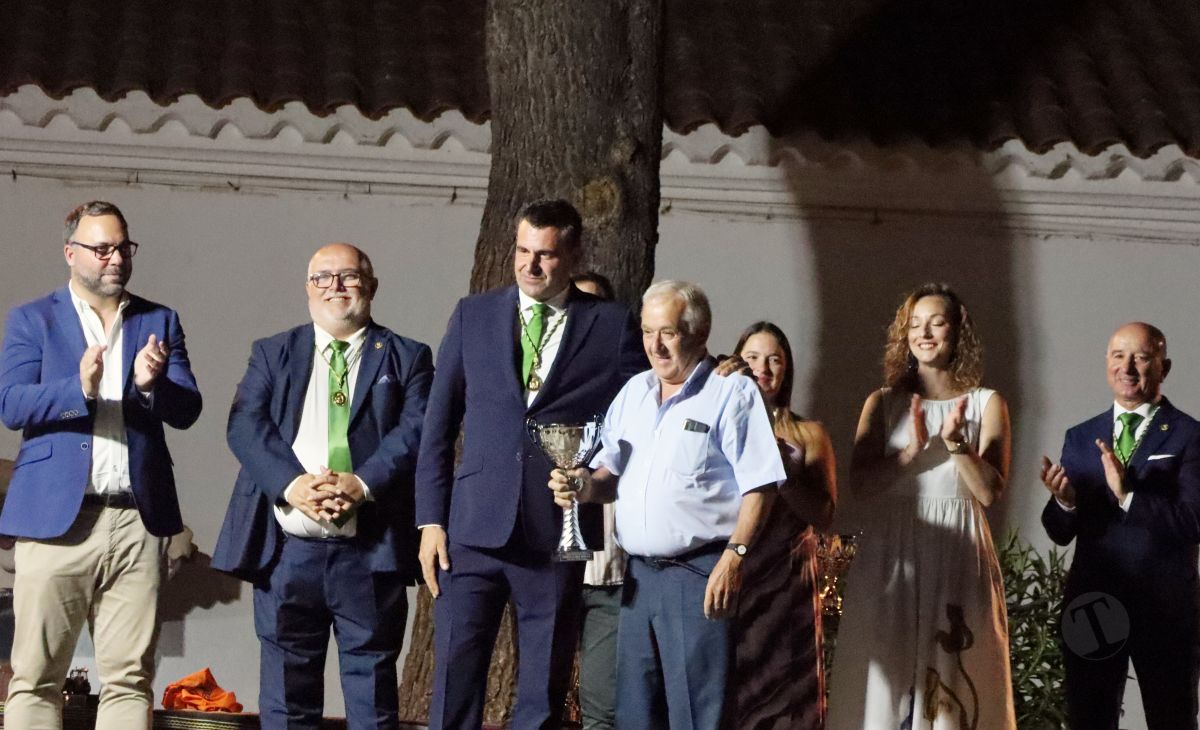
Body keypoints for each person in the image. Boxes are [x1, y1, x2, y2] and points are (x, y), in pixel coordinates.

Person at [415, 200, 645, 730]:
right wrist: (431, 521)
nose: (530, 265)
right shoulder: (473, 315)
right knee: (453, 682)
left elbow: (635, 423)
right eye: (523, 251)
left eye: (545, 255)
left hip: (556, 535)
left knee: (541, 693)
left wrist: (595, 480)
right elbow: (437, 426)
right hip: (470, 531)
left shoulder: (610, 326)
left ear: (572, 255)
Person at [211, 243, 433, 729]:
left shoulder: (408, 357)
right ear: (308, 289)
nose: (335, 287)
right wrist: (292, 486)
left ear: (370, 286)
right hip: (288, 552)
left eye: (348, 277)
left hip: (370, 552)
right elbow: (245, 424)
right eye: (323, 278)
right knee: (288, 706)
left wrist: (362, 483)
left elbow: (417, 429)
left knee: (373, 701)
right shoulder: (273, 352)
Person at [0, 201, 202, 730]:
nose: (115, 258)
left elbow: (188, 411)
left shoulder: (160, 320)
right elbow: (11, 404)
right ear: (71, 254)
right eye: (102, 248)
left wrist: (149, 385)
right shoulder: (33, 318)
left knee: (129, 679)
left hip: (137, 521)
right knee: (36, 677)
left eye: (123, 247)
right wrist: (78, 389)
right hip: (53, 521)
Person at [550, 280, 787, 730]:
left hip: (698, 577)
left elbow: (762, 485)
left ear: (700, 334)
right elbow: (607, 477)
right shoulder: (634, 393)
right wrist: (580, 485)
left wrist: (734, 557)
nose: (655, 345)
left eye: (669, 333)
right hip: (638, 580)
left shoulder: (731, 393)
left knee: (697, 717)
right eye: (646, 331)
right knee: (635, 715)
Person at [826, 283, 1015, 729]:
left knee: (955, 679)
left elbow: (989, 492)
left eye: (936, 322)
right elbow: (861, 485)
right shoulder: (883, 403)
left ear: (957, 334)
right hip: (893, 550)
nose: (924, 333)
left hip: (957, 549)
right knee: (884, 683)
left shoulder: (988, 403)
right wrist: (909, 454)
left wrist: (955, 444)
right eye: (915, 324)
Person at [1040, 322, 1200, 729]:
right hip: (1093, 605)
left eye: (1142, 357)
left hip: (1165, 607)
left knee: (1173, 719)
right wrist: (1063, 501)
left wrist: (1129, 495)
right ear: (1106, 364)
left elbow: (1193, 521)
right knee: (1089, 719)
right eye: (1118, 356)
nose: (1127, 367)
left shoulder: (1189, 435)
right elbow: (1060, 531)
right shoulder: (1081, 437)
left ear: (1164, 367)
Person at [729, 321, 836, 729]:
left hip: (786, 584)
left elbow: (824, 514)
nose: (764, 368)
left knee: (787, 699)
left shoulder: (808, 433)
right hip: (736, 575)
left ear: (787, 369)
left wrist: (782, 472)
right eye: (753, 357)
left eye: (774, 359)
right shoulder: (722, 424)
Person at [569, 271, 624, 730]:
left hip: (609, 578)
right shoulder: (545, 395)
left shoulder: (636, 392)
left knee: (601, 711)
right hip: (547, 576)